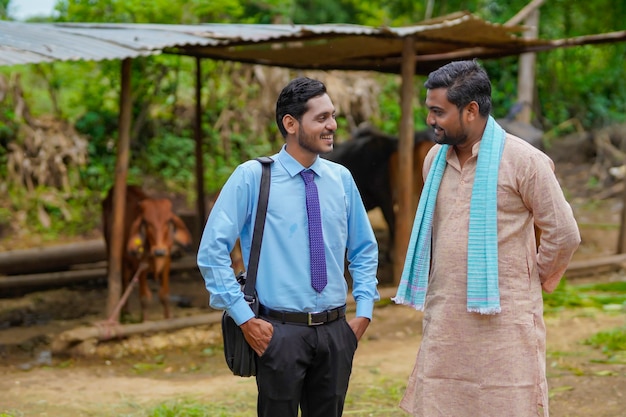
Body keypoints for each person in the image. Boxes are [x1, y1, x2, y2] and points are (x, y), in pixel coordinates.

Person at [393, 60, 580, 417]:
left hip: (505, 323)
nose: (430, 120)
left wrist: (531, 278)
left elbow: (564, 233)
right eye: (429, 111)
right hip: (446, 318)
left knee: (506, 403)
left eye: (438, 112)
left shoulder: (525, 161)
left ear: (471, 111)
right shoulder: (434, 159)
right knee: (441, 404)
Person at [197, 76, 380, 417]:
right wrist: (244, 318)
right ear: (291, 124)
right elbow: (211, 251)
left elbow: (364, 248)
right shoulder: (253, 177)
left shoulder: (341, 179)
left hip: (336, 333)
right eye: (322, 118)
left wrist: (364, 311)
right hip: (277, 334)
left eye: (333, 116)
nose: (332, 125)